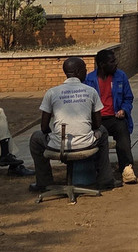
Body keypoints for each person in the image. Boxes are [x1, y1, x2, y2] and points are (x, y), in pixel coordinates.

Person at [29, 56, 114, 193]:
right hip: (87, 145)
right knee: (103, 132)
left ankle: (43, 183)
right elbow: (98, 123)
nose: (87, 72)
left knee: (35, 138)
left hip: (58, 147)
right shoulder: (91, 91)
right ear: (78, 71)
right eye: (85, 69)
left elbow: (43, 127)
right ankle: (105, 180)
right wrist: (85, 130)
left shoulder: (52, 92)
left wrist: (52, 138)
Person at [85, 48, 138, 184]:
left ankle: (126, 168)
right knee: (94, 137)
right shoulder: (89, 80)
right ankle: (97, 170)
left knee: (123, 131)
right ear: (102, 65)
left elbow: (128, 98)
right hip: (96, 120)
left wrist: (124, 110)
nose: (116, 64)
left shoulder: (121, 76)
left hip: (115, 117)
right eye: (112, 62)